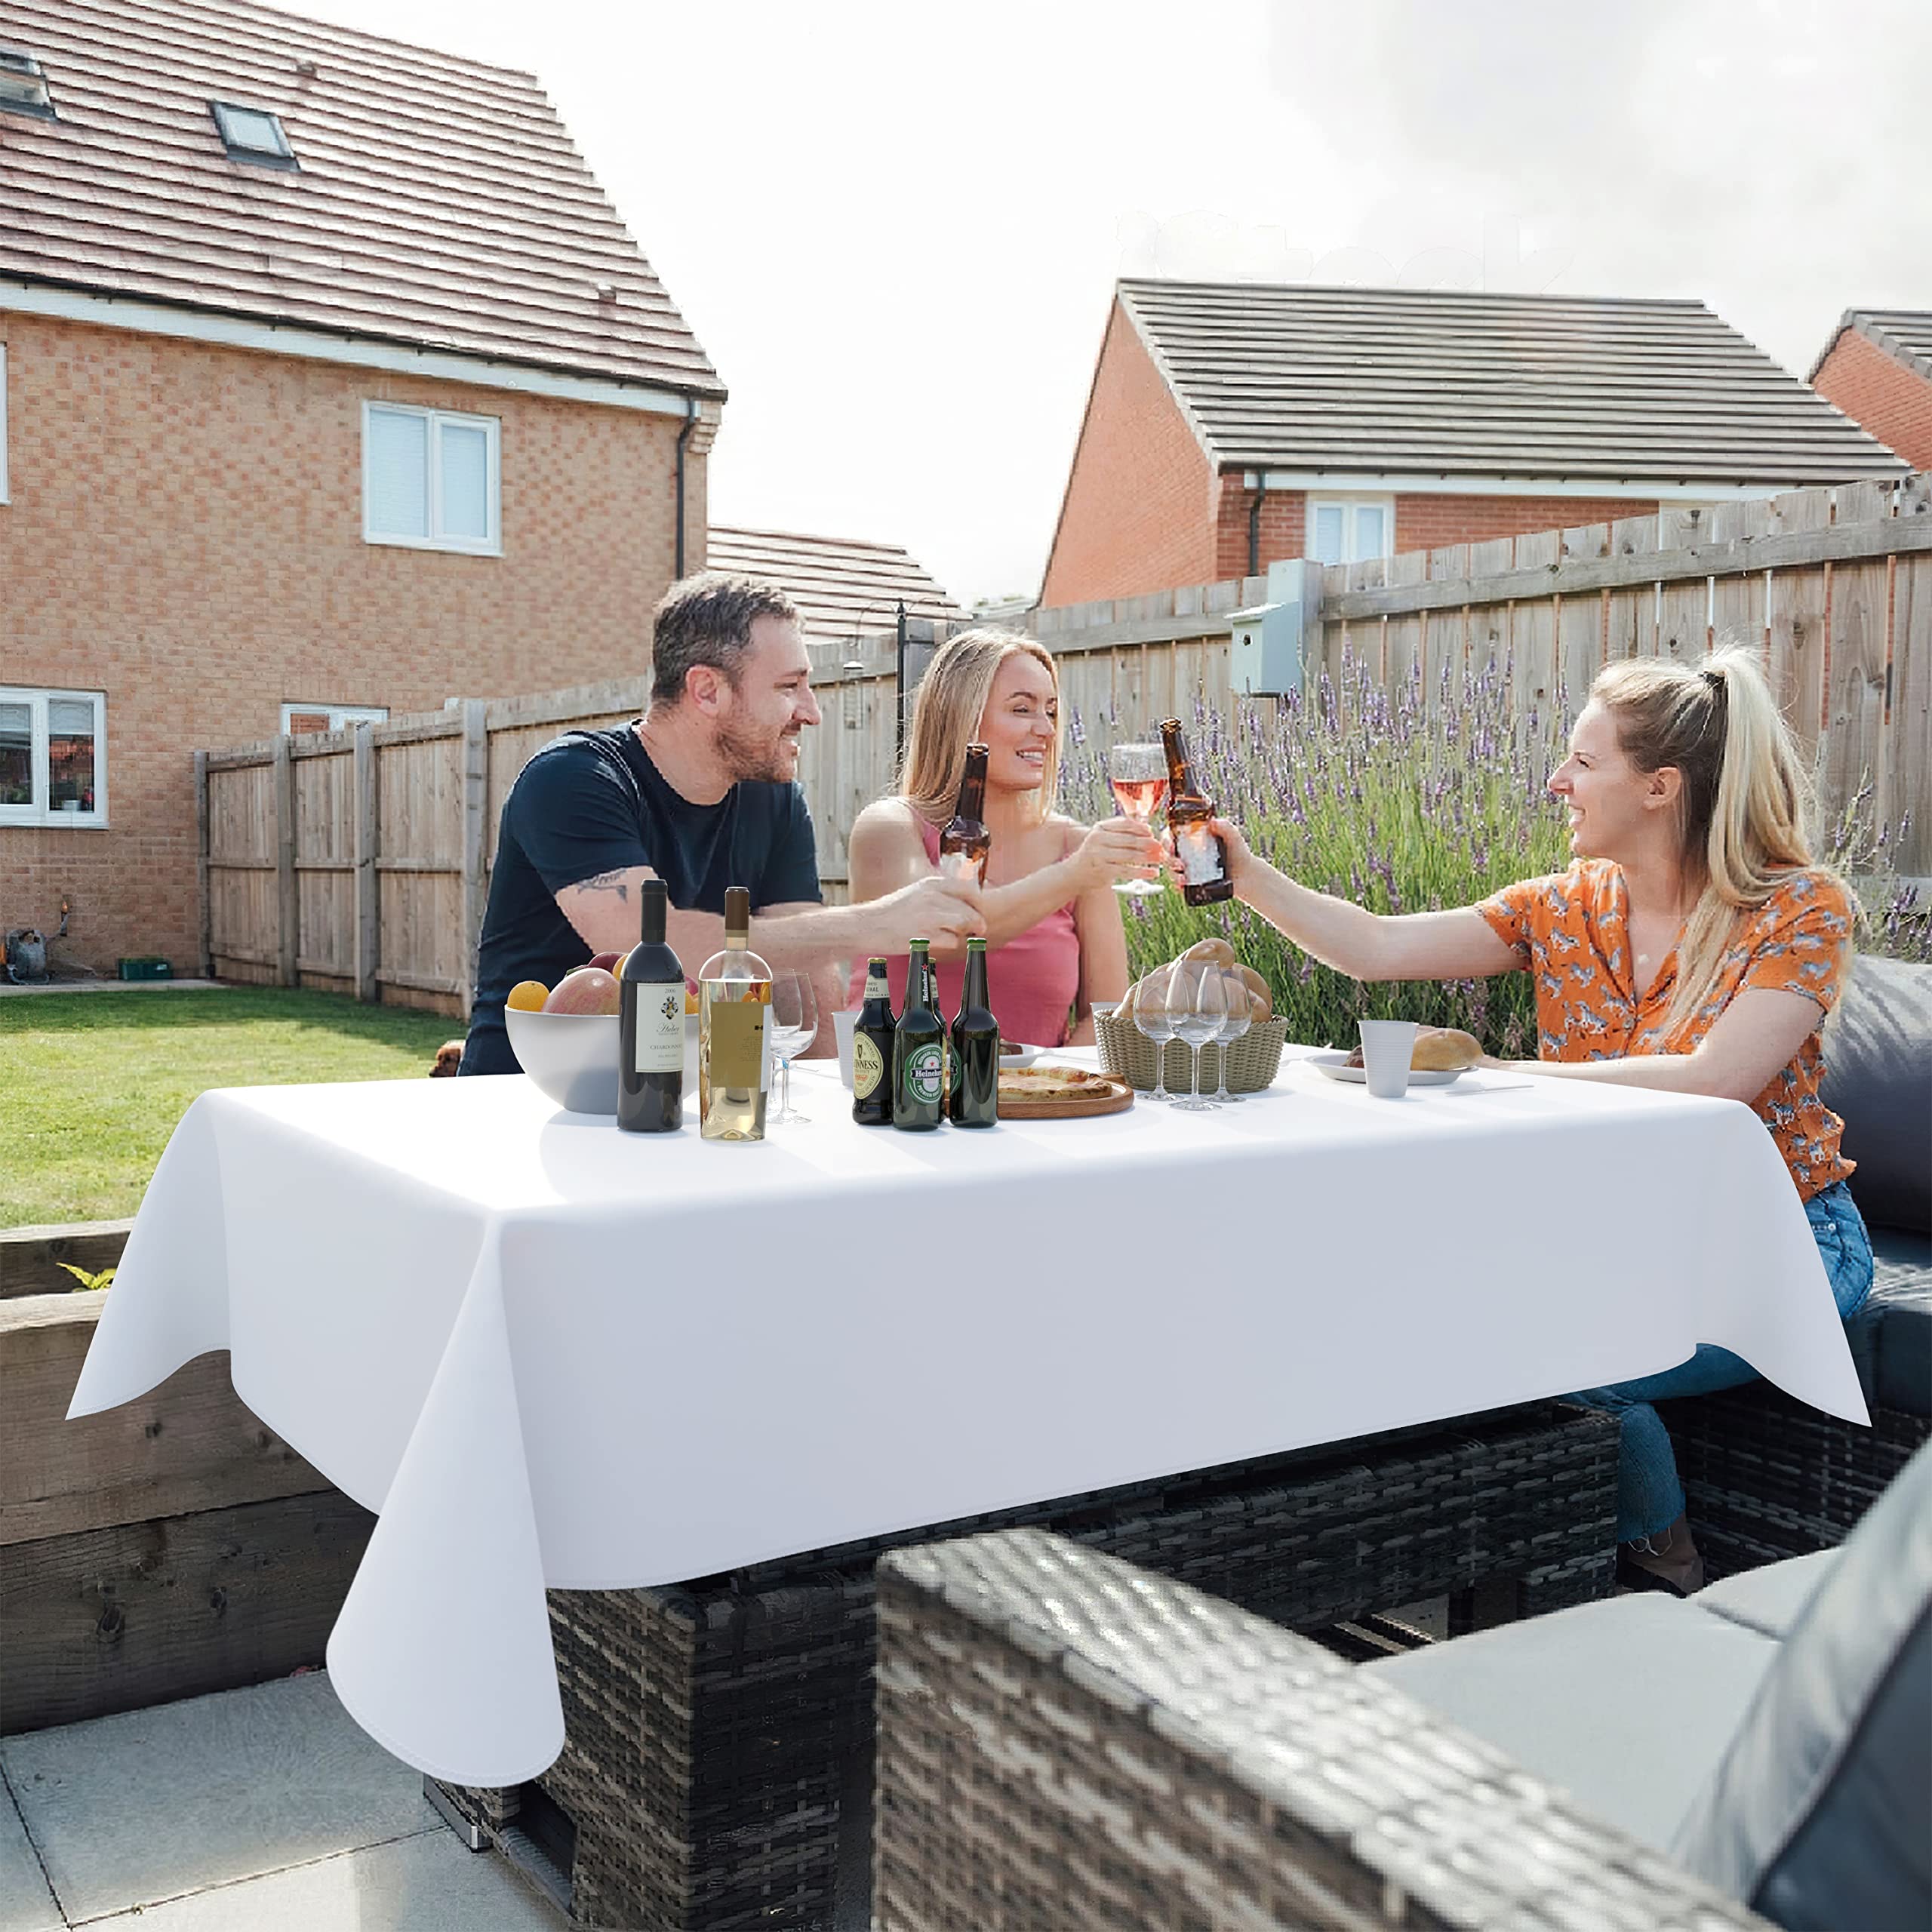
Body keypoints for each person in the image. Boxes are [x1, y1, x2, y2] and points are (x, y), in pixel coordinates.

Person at [1200, 645, 1872, 1594]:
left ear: (1659, 786)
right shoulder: (1566, 908)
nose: (1557, 780)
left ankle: (1668, 1560)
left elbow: (1719, 1076)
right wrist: (1245, 872)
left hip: (1781, 1245)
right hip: (1624, 1243)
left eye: (1583, 761)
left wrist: (1499, 1071)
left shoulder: (1797, 909)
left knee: (1563, 1366)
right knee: (1423, 1313)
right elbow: (1374, 948)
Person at [460, 574, 983, 1075]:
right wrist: (872, 923)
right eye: (789, 686)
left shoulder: (773, 800)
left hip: (678, 1107)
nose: (812, 711)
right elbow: (653, 947)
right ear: (707, 690)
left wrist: (825, 1106)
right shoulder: (573, 779)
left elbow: (806, 968)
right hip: (524, 1106)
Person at [846, 628, 1163, 1047]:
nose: (1047, 730)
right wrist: (1074, 875)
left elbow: (1105, 1017)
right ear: (962, 719)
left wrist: (1043, 1089)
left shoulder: (1074, 848)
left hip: (1030, 1103)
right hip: (899, 1101)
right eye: (1022, 710)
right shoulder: (889, 829)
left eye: (1050, 711)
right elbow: (942, 935)